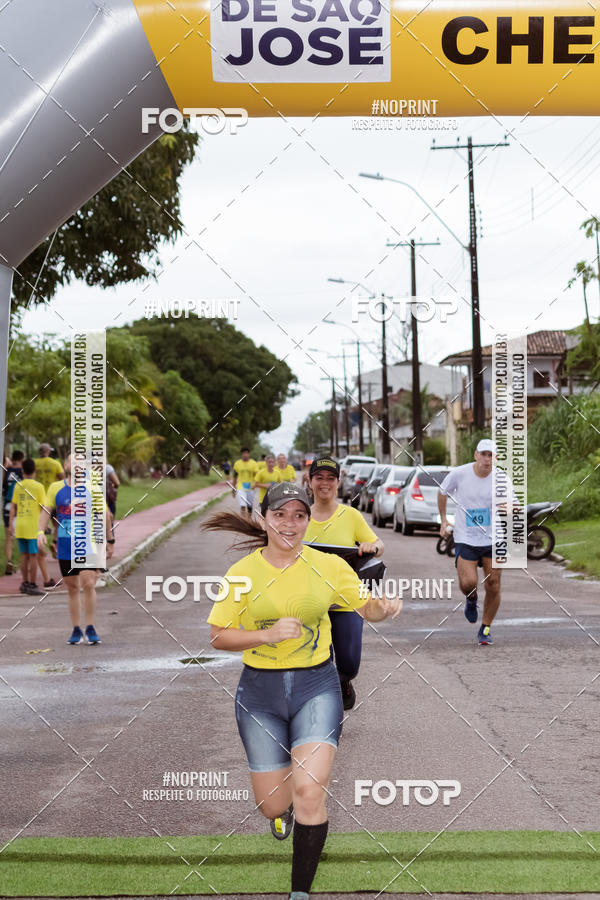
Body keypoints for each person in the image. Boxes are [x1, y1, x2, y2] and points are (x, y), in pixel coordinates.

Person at [203, 482, 401, 900]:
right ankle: (284, 806)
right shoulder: (241, 573)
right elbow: (218, 636)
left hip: (317, 686)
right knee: (273, 805)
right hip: (260, 693)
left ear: (308, 521)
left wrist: (381, 609)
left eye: (299, 515)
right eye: (280, 514)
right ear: (265, 519)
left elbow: (365, 607)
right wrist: (267, 634)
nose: (289, 524)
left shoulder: (329, 566)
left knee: (311, 790)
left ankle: (300, 892)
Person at [304, 457, 384, 711]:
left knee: (349, 663)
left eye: (330, 478)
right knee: (320, 660)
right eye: (319, 478)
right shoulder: (300, 516)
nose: (324, 483)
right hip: (310, 602)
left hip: (346, 601)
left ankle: (344, 681)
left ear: (338, 482)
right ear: (310, 481)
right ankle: (324, 705)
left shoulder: (350, 515)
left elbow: (379, 544)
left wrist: (371, 546)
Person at [438, 438, 516, 646]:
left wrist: (508, 508)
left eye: (491, 455)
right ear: (476, 455)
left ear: (495, 458)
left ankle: (485, 628)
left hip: (494, 538)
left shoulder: (502, 478)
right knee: (468, 583)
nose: (487, 459)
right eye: (483, 454)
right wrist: (444, 520)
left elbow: (513, 504)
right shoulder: (460, 474)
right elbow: (442, 491)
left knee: (493, 583)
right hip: (466, 536)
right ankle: (471, 598)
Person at [38, 455, 115, 645]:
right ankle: (76, 629)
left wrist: (109, 539)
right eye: (73, 462)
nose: (76, 465)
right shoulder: (55, 488)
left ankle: (90, 627)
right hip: (65, 546)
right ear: (66, 465)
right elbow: (46, 511)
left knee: (88, 584)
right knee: (72, 588)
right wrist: (40, 531)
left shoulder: (92, 488)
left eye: (80, 462)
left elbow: (104, 514)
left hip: (87, 544)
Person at [9, 458, 47, 595]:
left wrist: (10, 525)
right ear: (34, 471)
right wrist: (45, 526)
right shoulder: (39, 487)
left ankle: (24, 583)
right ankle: (32, 584)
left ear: (22, 471)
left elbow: (13, 506)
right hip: (33, 526)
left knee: (24, 555)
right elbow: (44, 508)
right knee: (33, 556)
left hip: (20, 524)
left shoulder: (17, 486)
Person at [3, 449, 24, 574]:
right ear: (22, 459)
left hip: (7, 504)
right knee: (22, 536)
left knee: (8, 536)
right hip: (21, 505)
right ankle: (23, 564)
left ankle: (9, 561)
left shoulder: (6, 470)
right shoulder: (23, 471)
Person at [232, 447, 258, 519]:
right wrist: (233, 489)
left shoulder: (254, 463)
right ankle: (243, 520)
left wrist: (255, 484)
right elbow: (235, 477)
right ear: (241, 454)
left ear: (249, 454)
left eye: (246, 453)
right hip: (241, 486)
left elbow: (257, 476)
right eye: (243, 453)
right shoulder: (237, 463)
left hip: (251, 487)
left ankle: (249, 520)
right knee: (242, 504)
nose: (245, 455)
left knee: (249, 505)